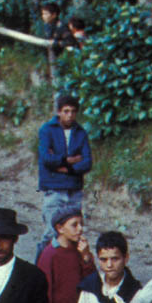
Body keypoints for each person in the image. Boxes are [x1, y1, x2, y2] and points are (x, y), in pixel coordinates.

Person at [38, 92, 93, 252]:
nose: (69, 115)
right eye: (66, 111)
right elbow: (46, 159)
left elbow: (87, 162)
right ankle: (39, 269)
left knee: (74, 234)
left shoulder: (81, 133)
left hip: (74, 190)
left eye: (73, 111)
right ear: (59, 112)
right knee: (50, 233)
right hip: (54, 188)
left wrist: (64, 166)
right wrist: (70, 160)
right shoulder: (47, 130)